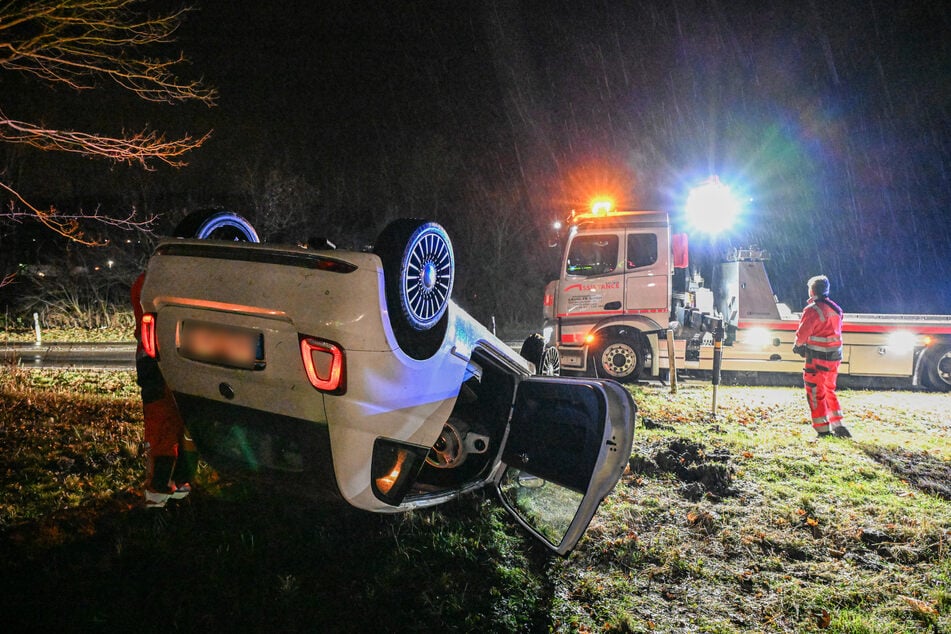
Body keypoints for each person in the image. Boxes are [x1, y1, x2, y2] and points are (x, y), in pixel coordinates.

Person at [131, 272, 197, 507]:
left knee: (165, 419)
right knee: (175, 418)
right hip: (167, 356)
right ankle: (167, 485)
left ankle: (167, 484)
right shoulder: (173, 280)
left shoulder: (148, 279)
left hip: (154, 357)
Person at [793, 275, 850, 440]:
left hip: (817, 359)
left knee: (815, 392)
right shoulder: (836, 308)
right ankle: (838, 424)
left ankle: (822, 430)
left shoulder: (813, 309)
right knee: (828, 389)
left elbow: (803, 333)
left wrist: (798, 345)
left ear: (812, 290)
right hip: (834, 357)